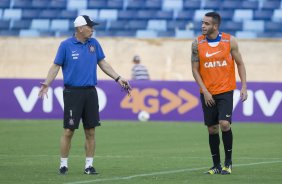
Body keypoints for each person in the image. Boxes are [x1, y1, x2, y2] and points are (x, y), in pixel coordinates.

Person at [38, 15, 131, 175]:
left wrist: (118, 77)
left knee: (91, 131)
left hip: (90, 92)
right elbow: (56, 66)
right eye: (90, 26)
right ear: (81, 28)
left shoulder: (94, 44)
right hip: (72, 93)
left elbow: (102, 63)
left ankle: (89, 166)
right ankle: (63, 165)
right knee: (69, 130)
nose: (93, 29)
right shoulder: (66, 45)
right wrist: (47, 83)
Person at [191, 12, 248, 175]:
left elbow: (240, 63)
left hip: (225, 90)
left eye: (206, 24)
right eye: (202, 23)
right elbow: (195, 70)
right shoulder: (196, 43)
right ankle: (216, 165)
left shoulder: (230, 41)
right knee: (212, 129)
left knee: (224, 123)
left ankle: (228, 163)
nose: (203, 26)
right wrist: (206, 91)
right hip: (207, 92)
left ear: (215, 26)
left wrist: (244, 86)